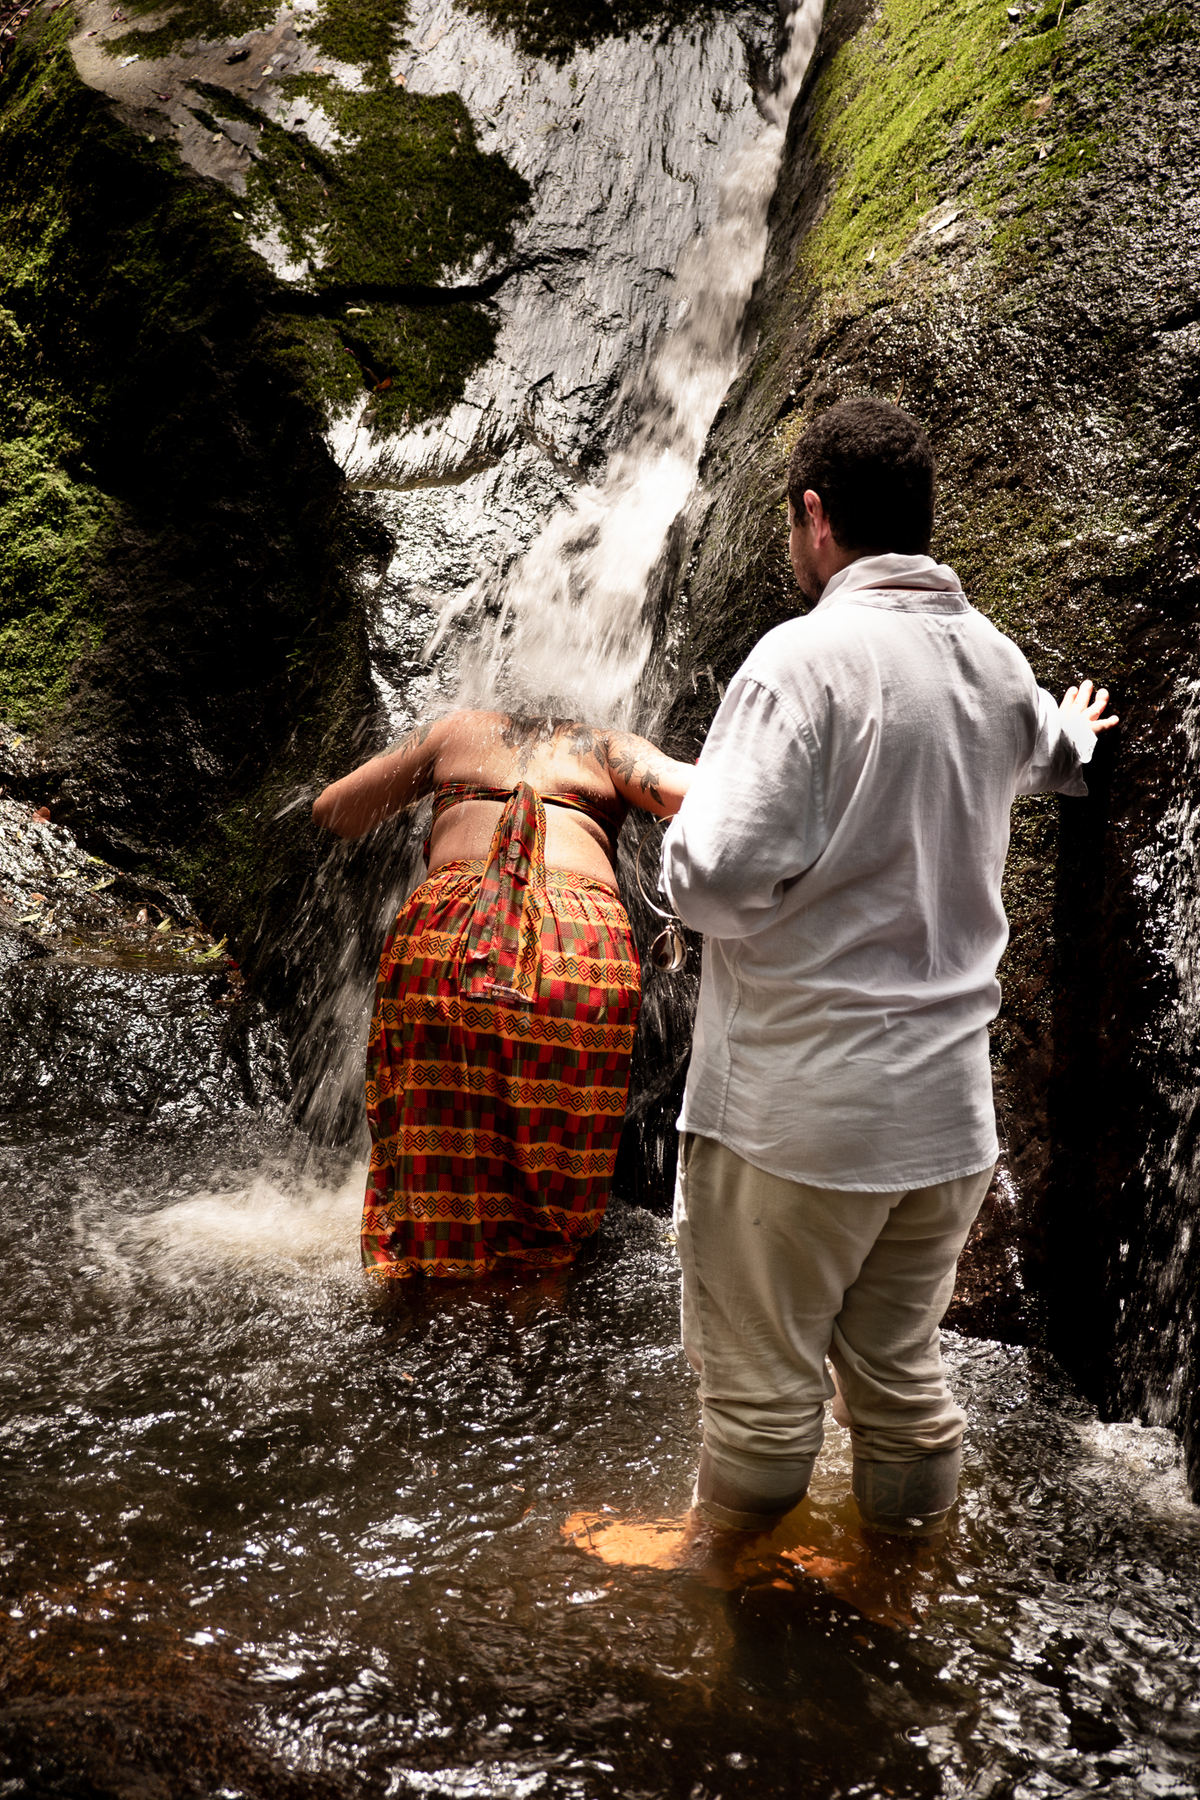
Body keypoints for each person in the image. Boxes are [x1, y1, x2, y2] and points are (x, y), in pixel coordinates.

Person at [657, 397, 1117, 1541]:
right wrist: (1078, 730)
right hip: (944, 1129)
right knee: (903, 1387)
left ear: (817, 517)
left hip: (797, 1122)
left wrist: (682, 829)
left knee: (762, 1409)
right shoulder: (991, 659)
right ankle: (900, 1598)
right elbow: (1054, 756)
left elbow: (710, 879)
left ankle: (725, 1635)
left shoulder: (800, 661)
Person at [313, 710, 694, 1280]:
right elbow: (699, 794)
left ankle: (427, 1305)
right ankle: (537, 1303)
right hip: (577, 946)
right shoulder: (606, 747)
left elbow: (334, 812)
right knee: (558, 1161)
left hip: (450, 932)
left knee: (433, 1149)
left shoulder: (457, 731)